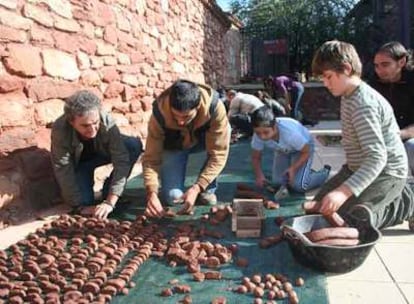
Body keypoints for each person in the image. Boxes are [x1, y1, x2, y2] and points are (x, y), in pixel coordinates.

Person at [310, 40, 414, 230]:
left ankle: (407, 202)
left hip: (387, 173)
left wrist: (343, 192)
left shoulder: (363, 104)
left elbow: (377, 158)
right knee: (318, 208)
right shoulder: (348, 94)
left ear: (347, 69)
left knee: (356, 221)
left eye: (328, 76)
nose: (325, 83)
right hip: (357, 168)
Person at [143, 80, 230, 218]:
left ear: (198, 106)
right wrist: (151, 192)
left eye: (186, 116)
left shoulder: (215, 108)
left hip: (203, 141)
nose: (181, 122)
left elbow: (218, 154)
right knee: (174, 198)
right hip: (175, 145)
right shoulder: (159, 113)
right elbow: (150, 157)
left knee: (223, 137)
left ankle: (207, 188)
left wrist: (197, 187)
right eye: (175, 116)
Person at [51, 90, 143, 219]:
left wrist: (111, 201)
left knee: (132, 145)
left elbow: (121, 159)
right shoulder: (60, 129)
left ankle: (107, 192)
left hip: (103, 153)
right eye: (85, 126)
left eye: (95, 123)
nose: (92, 130)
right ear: (72, 122)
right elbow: (63, 167)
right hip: (81, 163)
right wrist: (79, 206)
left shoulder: (106, 120)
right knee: (84, 202)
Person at [250, 106, 330, 194]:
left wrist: (293, 169)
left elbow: (306, 152)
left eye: (266, 132)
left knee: (298, 186)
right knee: (278, 183)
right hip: (282, 150)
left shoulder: (290, 134)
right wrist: (259, 175)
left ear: (275, 127)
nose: (262, 137)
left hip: (302, 150)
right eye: (258, 133)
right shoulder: (258, 136)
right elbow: (256, 157)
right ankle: (304, 173)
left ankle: (324, 173)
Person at [370, 41, 414, 176]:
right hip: (385, 136)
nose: (379, 70)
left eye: (385, 65)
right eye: (376, 66)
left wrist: (400, 134)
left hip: (407, 135)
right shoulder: (374, 84)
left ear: (401, 62)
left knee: (411, 147)